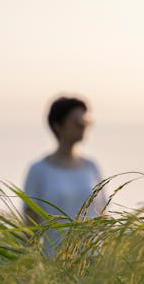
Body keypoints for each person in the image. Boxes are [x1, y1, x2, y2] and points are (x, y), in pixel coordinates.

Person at [23, 96, 107, 255]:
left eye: (86, 120)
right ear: (57, 125)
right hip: (53, 261)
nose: (83, 126)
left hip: (93, 260)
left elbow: (102, 215)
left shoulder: (91, 167)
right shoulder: (38, 170)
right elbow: (30, 224)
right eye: (77, 121)